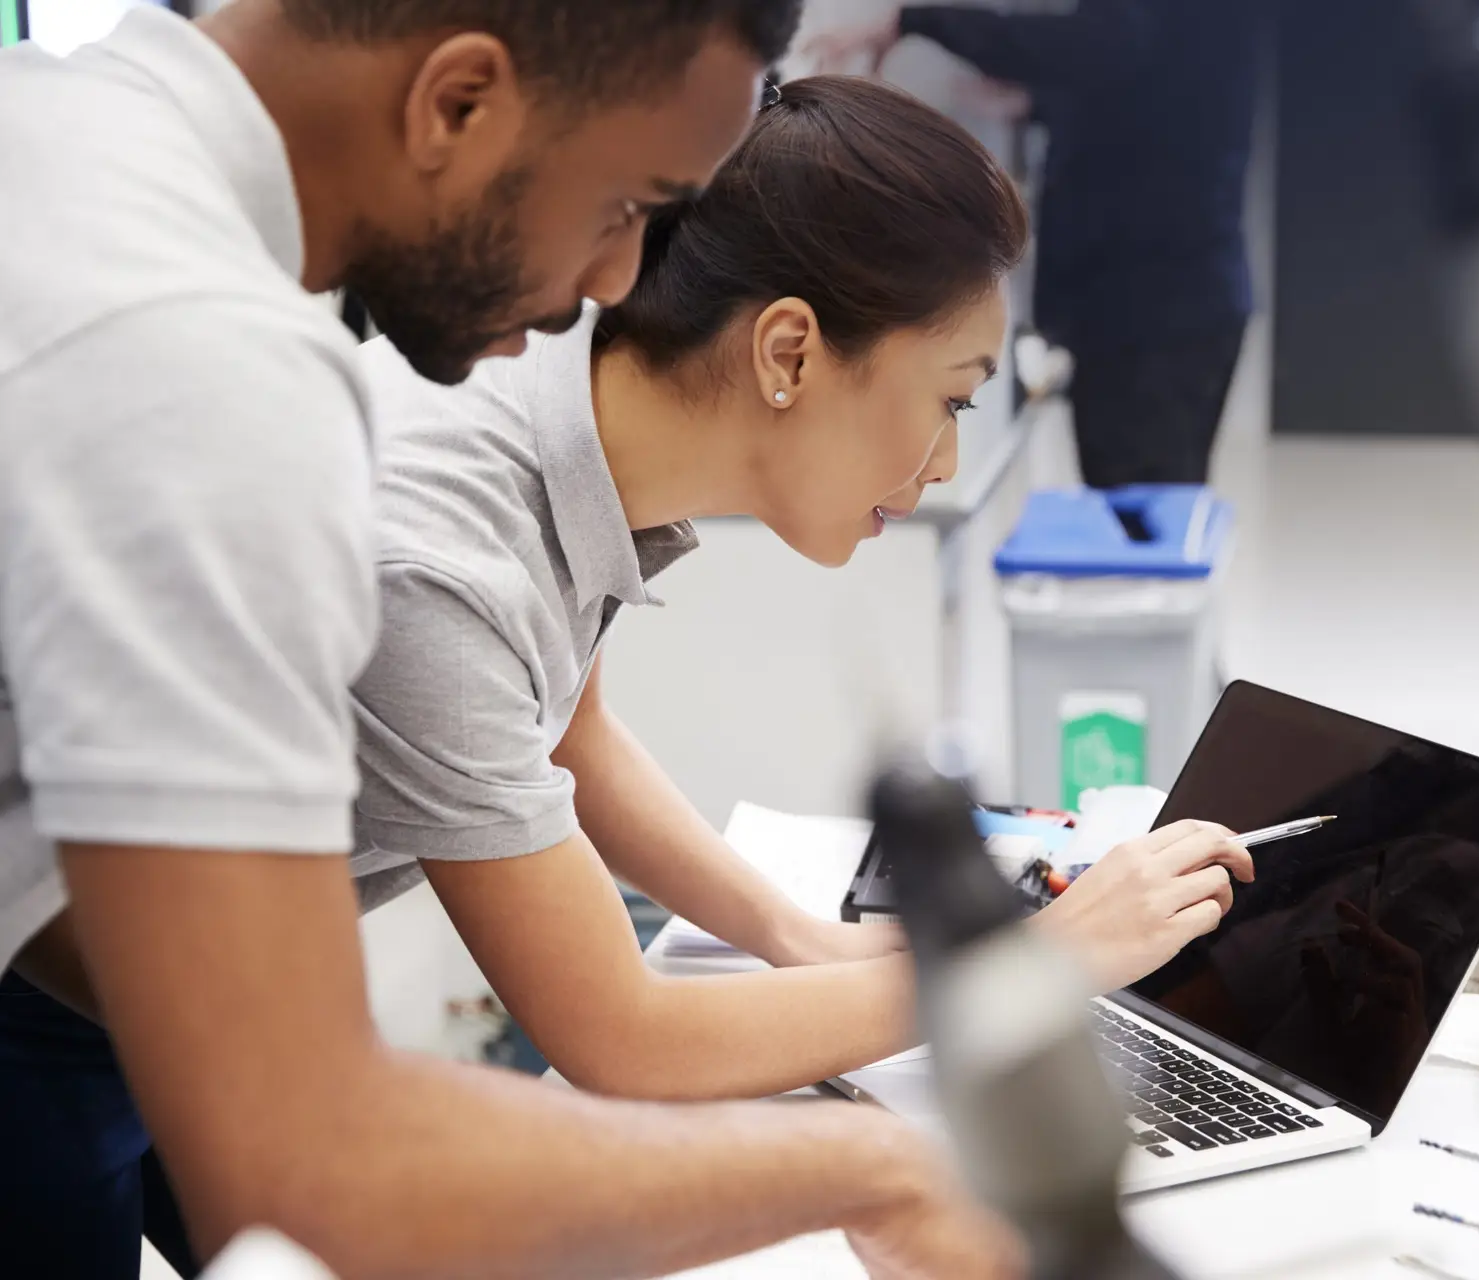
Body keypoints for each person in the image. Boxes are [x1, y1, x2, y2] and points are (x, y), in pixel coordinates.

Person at [0, 3, 1026, 1278]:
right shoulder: (218, 378)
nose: (613, 286)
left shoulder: (58, 135)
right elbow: (316, 1155)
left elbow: (564, 727)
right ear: (460, 101)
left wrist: (796, 941)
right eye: (625, 206)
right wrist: (892, 1162)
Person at [346, 74, 1257, 1103]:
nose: (950, 459)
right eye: (951, 398)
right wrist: (1033, 963)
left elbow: (569, 727)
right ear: (789, 351)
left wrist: (796, 936)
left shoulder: (563, 373)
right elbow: (624, 1034)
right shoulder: (447, 550)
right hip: (140, 987)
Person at [809, 0, 1270, 489]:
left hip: (1158, 312)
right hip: (1161, 304)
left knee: (1140, 515)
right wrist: (1038, 105)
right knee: (1141, 511)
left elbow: (1104, 45)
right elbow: (1157, 87)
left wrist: (916, 21)